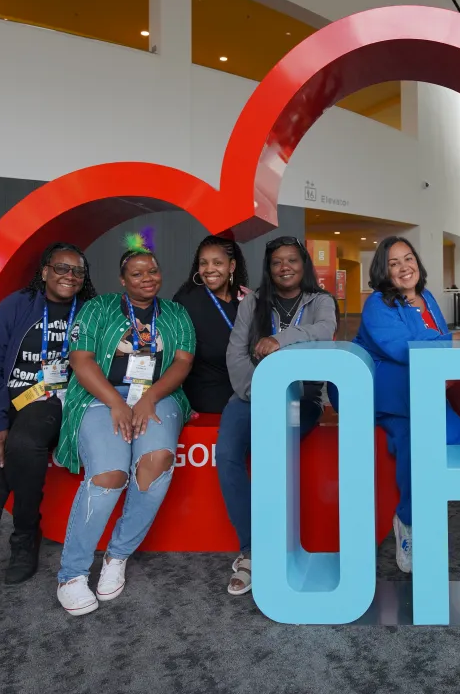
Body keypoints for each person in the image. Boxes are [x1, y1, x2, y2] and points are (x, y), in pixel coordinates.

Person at [0, 242, 96, 645]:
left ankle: (25, 532)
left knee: (26, 444)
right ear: (44, 271)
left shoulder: (90, 311)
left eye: (77, 271)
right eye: (61, 268)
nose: (69, 276)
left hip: (50, 402)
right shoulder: (17, 306)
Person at [53, 246, 196, 616]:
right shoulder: (97, 309)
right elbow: (81, 360)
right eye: (137, 273)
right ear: (122, 280)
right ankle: (72, 573)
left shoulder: (177, 313)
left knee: (157, 461)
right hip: (101, 397)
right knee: (109, 475)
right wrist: (117, 404)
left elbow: (181, 364)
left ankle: (118, 555)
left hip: (159, 396)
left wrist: (150, 399)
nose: (147, 277)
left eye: (153, 270)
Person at [354, 236, 460, 573]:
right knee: (415, 439)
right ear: (383, 271)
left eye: (409, 258)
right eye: (394, 263)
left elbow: (432, 345)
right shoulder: (377, 303)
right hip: (385, 389)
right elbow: (403, 349)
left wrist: (454, 341)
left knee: (457, 440)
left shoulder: (426, 297)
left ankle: (424, 511)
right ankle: (409, 522)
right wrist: (457, 337)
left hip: (421, 389)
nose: (404, 267)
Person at [216, 237, 338, 595]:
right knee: (226, 455)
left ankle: (274, 546)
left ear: (304, 265)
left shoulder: (320, 302)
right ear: (268, 269)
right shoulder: (252, 302)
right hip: (250, 394)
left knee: (271, 454)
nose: (285, 267)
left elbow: (323, 331)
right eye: (277, 262)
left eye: (292, 261)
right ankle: (252, 548)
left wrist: (280, 339)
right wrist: (260, 391)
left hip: (301, 398)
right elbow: (235, 352)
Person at [172, 235, 249, 417]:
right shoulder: (187, 301)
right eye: (203, 263)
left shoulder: (244, 299)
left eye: (217, 263)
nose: (209, 269)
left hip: (245, 391)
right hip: (207, 398)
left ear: (231, 266)